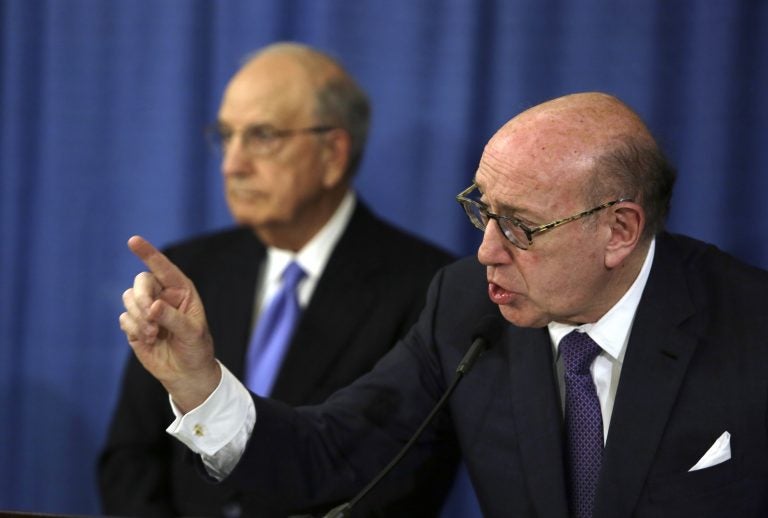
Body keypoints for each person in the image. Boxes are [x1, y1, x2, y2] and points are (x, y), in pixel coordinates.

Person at [118, 91, 768, 517]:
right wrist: (199, 385)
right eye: (482, 210)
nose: (485, 250)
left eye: (520, 225)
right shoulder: (467, 308)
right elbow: (331, 455)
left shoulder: (750, 329)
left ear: (618, 232)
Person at [99, 42, 457, 517]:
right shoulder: (189, 272)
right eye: (226, 136)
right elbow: (130, 461)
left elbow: (403, 482)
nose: (232, 164)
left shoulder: (430, 287)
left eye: (262, 136)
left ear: (333, 152)